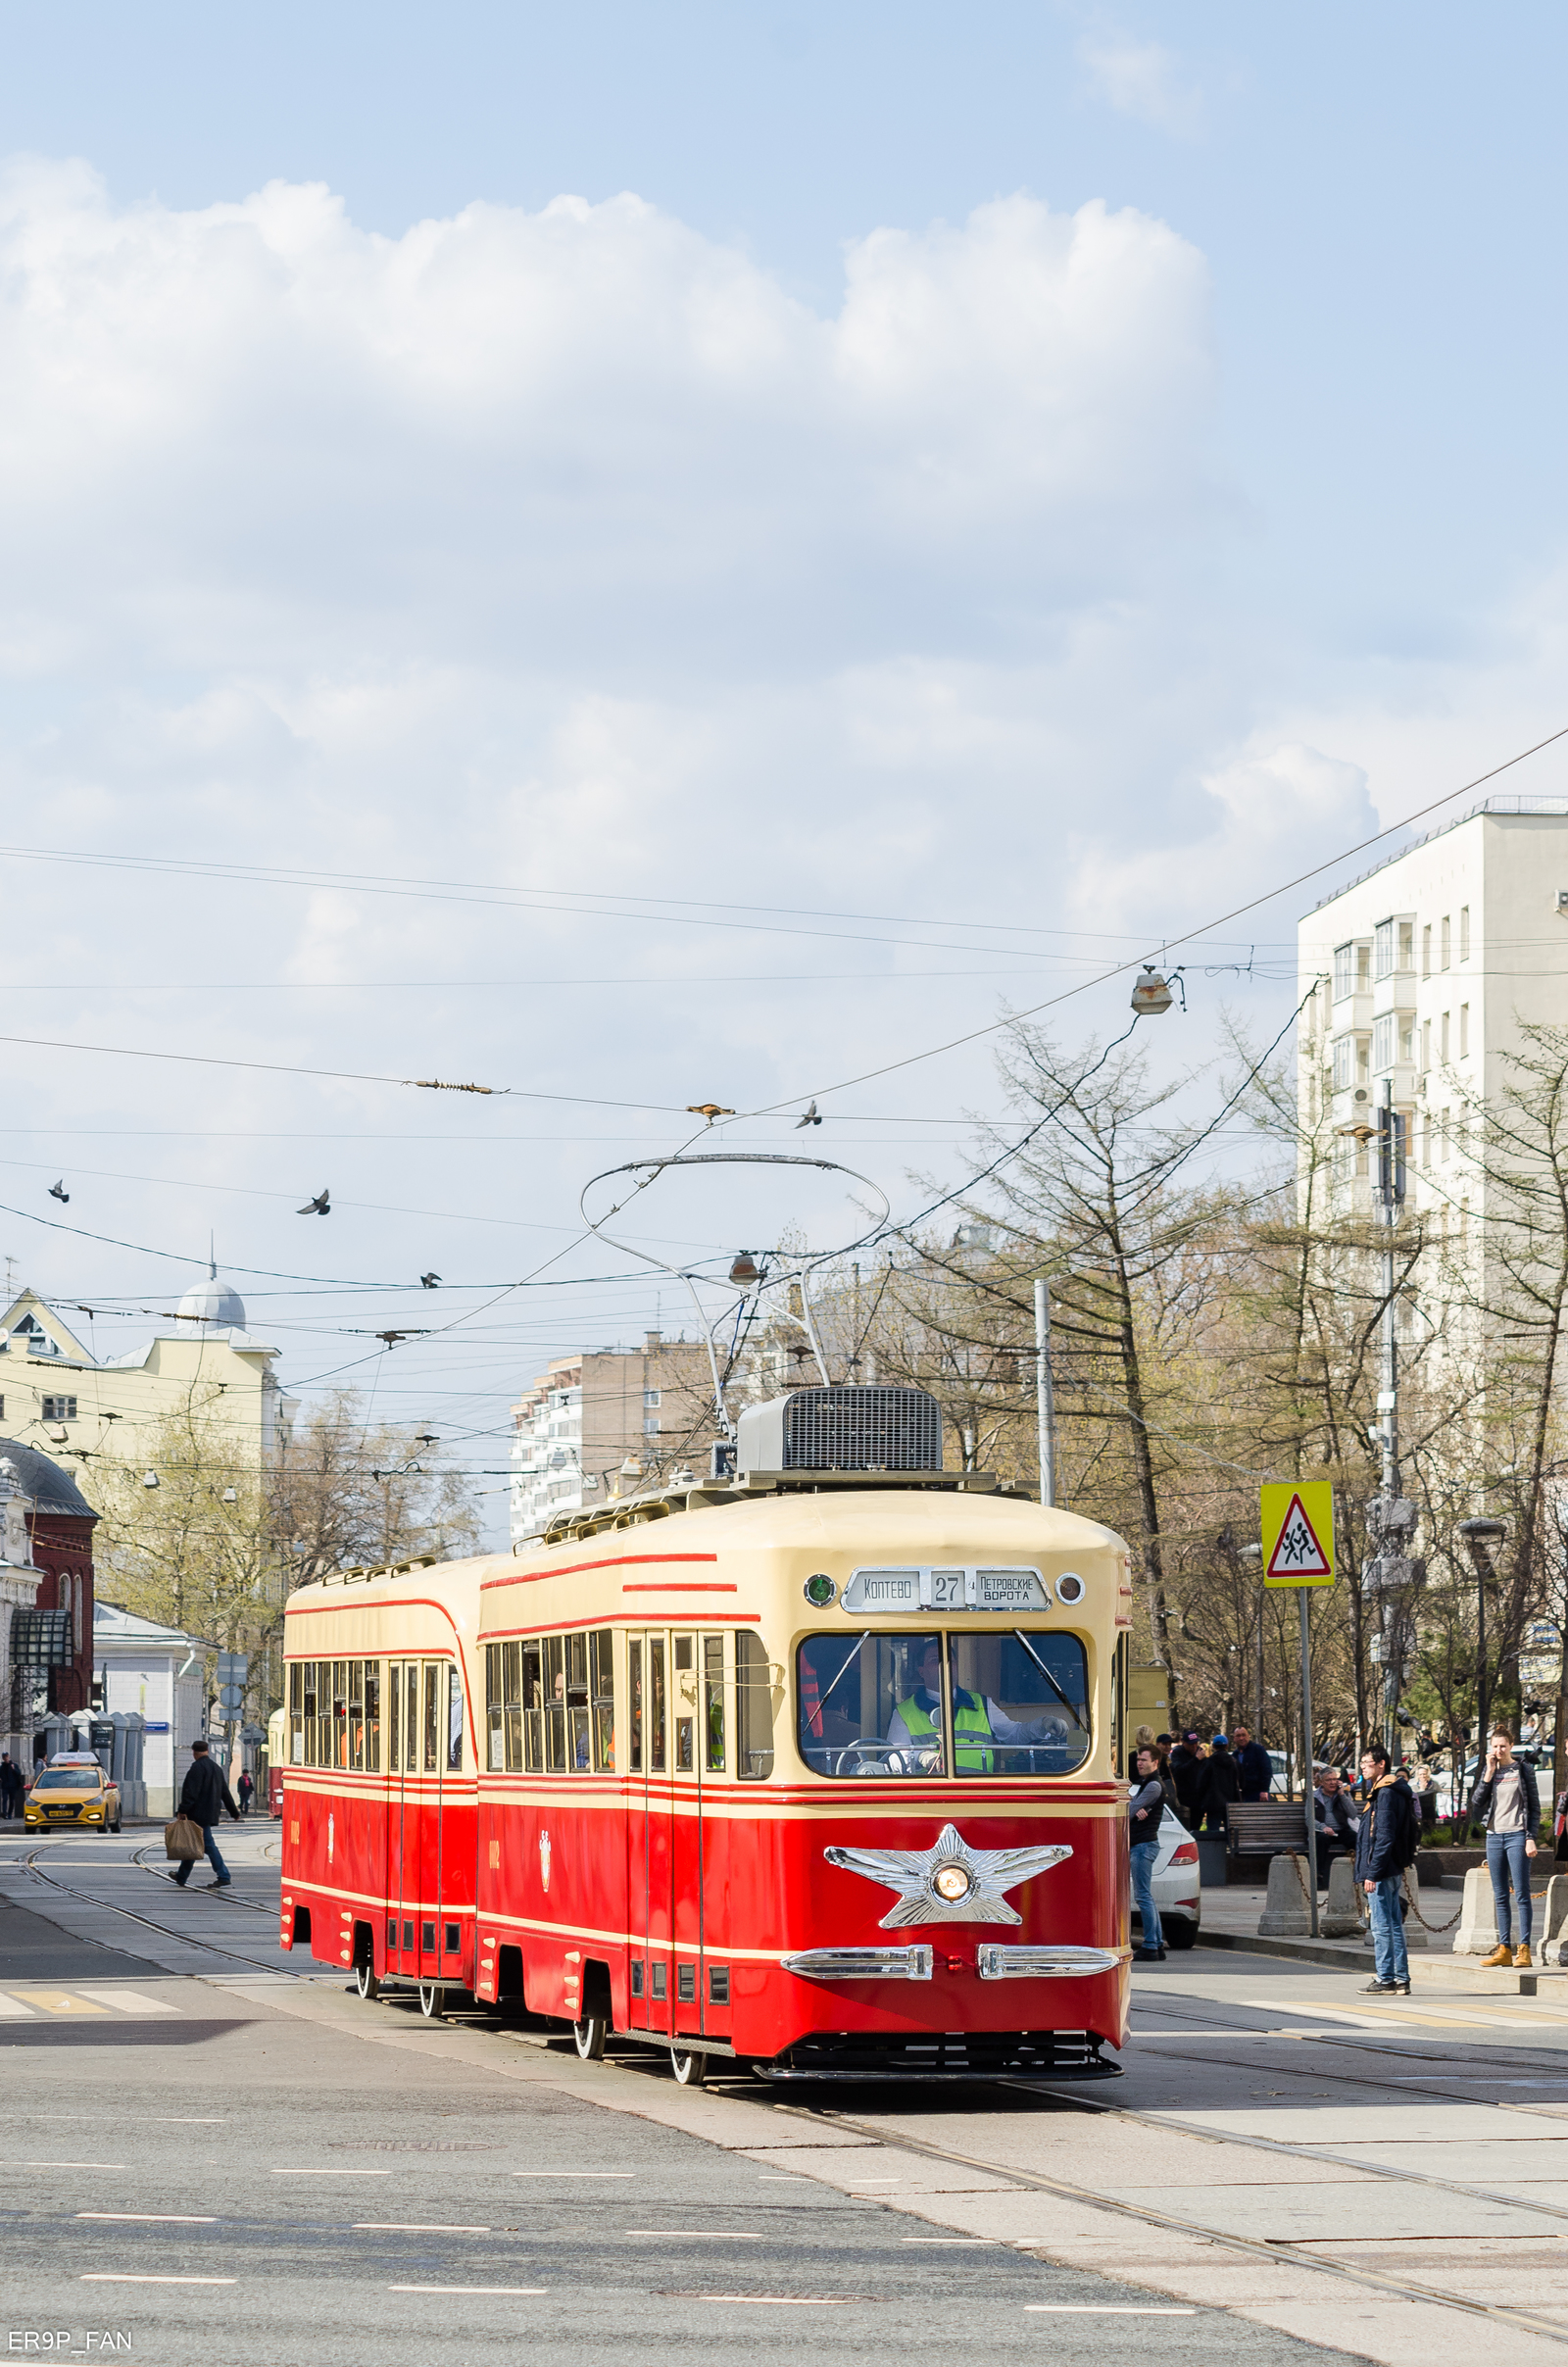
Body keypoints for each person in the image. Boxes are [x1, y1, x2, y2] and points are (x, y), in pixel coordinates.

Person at [887, 1640, 1068, 1770]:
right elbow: (896, 1758)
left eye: (950, 1660)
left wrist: (1042, 1724)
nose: (945, 1665)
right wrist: (922, 1757)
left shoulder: (982, 1703)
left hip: (978, 1795)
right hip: (930, 1796)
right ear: (921, 1671)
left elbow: (1014, 1734)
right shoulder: (904, 1712)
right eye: (935, 1660)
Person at [1469, 1723, 1541, 1968]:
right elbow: (1477, 1802)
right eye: (1495, 1746)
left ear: (1511, 1746)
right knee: (1500, 1896)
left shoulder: (1523, 1769)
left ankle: (1525, 1950)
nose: (1499, 1750)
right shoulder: (1490, 1770)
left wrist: (1531, 1836)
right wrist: (1488, 1773)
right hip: (1494, 1836)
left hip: (1517, 1836)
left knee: (1521, 1894)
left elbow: (1534, 1807)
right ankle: (1504, 1949)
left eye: (1503, 1746)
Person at [1354, 1743, 1418, 1995]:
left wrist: (1372, 1872)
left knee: (1381, 1926)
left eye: (1366, 1762)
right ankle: (1401, 1978)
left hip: (1381, 1870)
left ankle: (1386, 1979)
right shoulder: (1392, 1790)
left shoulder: (1385, 1792)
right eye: (1361, 1763)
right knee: (1393, 1925)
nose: (1362, 1767)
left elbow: (1383, 1836)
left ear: (1381, 1764)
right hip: (1391, 1867)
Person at [169, 1739, 240, 1890]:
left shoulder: (196, 1768)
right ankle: (181, 1876)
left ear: (194, 1752)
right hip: (211, 1812)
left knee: (208, 1845)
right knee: (193, 1844)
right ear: (207, 1751)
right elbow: (225, 1793)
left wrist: (182, 1810)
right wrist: (234, 1812)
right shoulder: (216, 1768)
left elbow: (191, 1793)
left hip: (197, 1813)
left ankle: (223, 1875)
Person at [1128, 1745, 1166, 1964]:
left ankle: (1151, 1945)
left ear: (1155, 1763)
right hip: (1142, 1845)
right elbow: (1134, 1808)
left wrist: (1134, 1807)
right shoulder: (1147, 1784)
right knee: (1146, 1896)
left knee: (1143, 1896)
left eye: (1144, 1759)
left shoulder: (1153, 1785)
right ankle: (1157, 1945)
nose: (1139, 1763)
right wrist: (1135, 1807)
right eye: (1138, 1760)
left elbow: (1129, 1811)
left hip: (1143, 1846)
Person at [1313, 1766, 1358, 1867]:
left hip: (1341, 1831)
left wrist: (1342, 1795)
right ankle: (1318, 1874)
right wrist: (1323, 1827)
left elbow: (1353, 1814)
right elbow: (1309, 1819)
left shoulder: (1343, 1795)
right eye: (1328, 1780)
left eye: (1334, 1779)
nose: (1332, 1782)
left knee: (1356, 1839)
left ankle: (1360, 1871)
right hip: (1322, 1832)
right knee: (1321, 1840)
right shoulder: (1314, 1797)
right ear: (1321, 1782)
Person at [1196, 1733, 1241, 1833]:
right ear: (1227, 1746)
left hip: (1213, 1803)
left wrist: (1202, 1799)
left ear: (1213, 1746)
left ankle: (1215, 1848)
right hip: (1230, 1802)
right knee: (1231, 1832)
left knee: (1213, 1831)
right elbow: (1240, 1782)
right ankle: (1230, 1847)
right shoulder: (1234, 1762)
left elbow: (1201, 1783)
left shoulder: (1208, 1762)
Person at [1168, 1731, 1203, 1826]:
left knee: (1196, 1826)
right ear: (1184, 1742)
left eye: (1196, 1743)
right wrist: (1195, 1760)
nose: (1194, 1746)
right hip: (1183, 1797)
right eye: (1191, 1744)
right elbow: (1179, 1770)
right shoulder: (1178, 1753)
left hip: (1198, 1797)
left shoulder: (1199, 1751)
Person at [1232, 1725, 1273, 1803]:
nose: (1241, 1738)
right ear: (1234, 1738)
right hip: (1241, 1794)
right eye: (1238, 1736)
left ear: (1248, 1736)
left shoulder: (1258, 1750)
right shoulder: (1235, 1755)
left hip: (1257, 1793)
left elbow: (1266, 1770)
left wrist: (1264, 1790)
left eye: (1243, 1735)